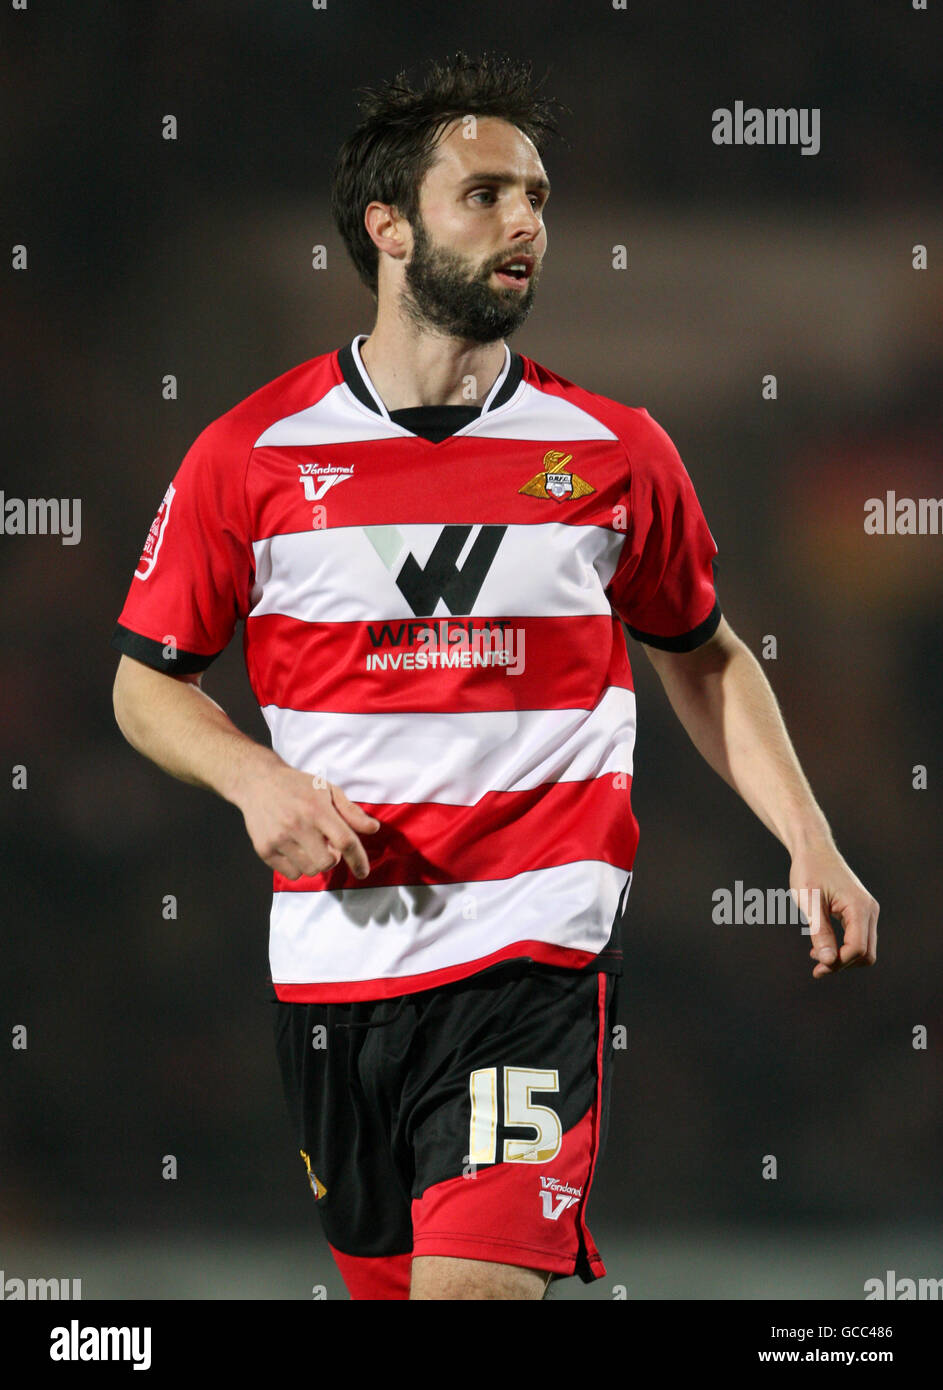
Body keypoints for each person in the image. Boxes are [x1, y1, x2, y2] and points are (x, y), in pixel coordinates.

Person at [110, 50, 878, 1302]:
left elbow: (705, 654)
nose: (524, 220)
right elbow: (146, 684)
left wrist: (809, 837)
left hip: (530, 954)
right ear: (387, 226)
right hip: (334, 964)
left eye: (536, 196)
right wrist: (252, 779)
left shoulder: (613, 453)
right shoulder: (250, 456)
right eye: (484, 193)